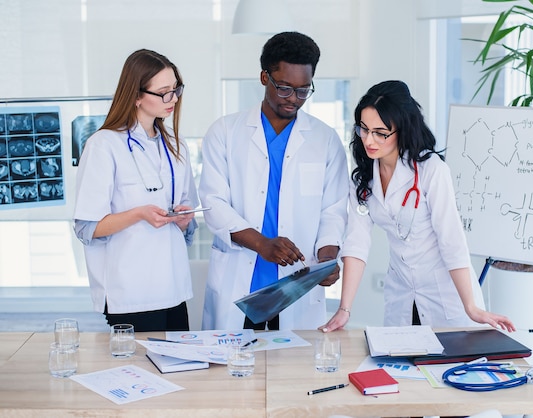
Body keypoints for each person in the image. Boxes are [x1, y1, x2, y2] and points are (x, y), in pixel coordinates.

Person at [320, 80, 515, 332]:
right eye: (364, 129)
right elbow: (357, 242)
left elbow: (451, 240)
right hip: (401, 292)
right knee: (401, 365)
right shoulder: (363, 178)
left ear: (402, 129)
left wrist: (471, 307)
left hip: (445, 293)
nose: (369, 140)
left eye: (381, 133)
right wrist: (344, 308)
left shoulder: (431, 170)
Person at [199, 32, 349, 331]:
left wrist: (327, 261)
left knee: (294, 372)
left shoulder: (326, 140)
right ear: (264, 77)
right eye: (284, 88)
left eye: (303, 90)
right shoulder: (225, 132)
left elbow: (333, 210)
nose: (294, 99)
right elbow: (213, 203)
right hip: (240, 282)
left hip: (296, 287)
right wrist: (262, 244)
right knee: (232, 371)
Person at [73, 49, 199, 332]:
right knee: (140, 374)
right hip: (130, 290)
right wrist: (139, 214)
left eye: (176, 89)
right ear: (137, 95)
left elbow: (186, 218)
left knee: (179, 372)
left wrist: (182, 220)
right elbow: (87, 227)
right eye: (164, 92)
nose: (174, 99)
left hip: (174, 286)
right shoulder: (104, 145)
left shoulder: (176, 147)